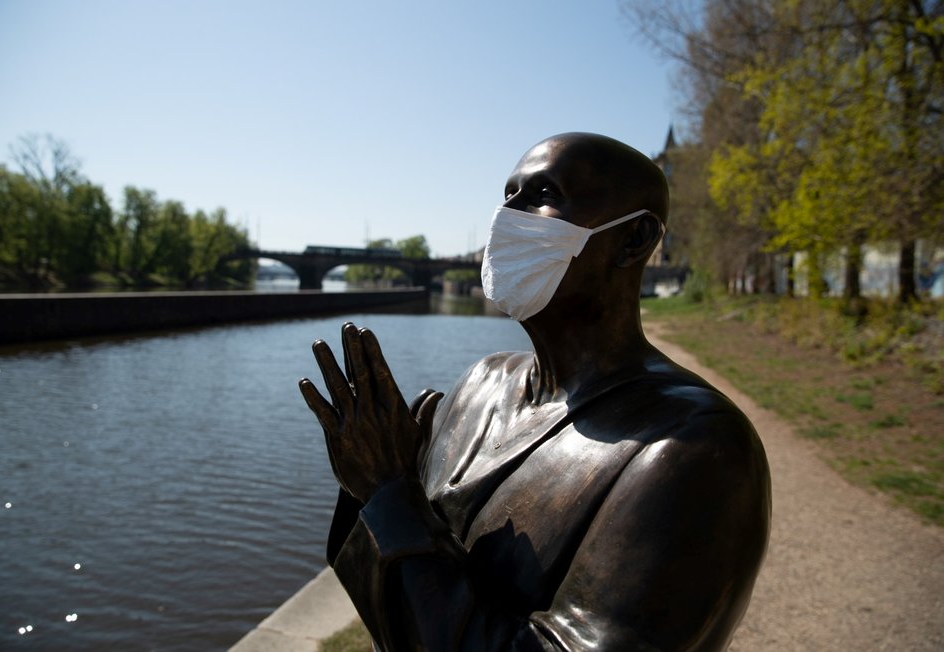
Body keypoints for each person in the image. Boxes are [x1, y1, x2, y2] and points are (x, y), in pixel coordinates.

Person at [299, 133, 771, 651]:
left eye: (543, 195)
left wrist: (392, 494)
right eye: (508, 195)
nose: (508, 217)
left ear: (633, 238)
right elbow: (385, 603)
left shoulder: (694, 449)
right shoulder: (481, 383)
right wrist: (374, 483)